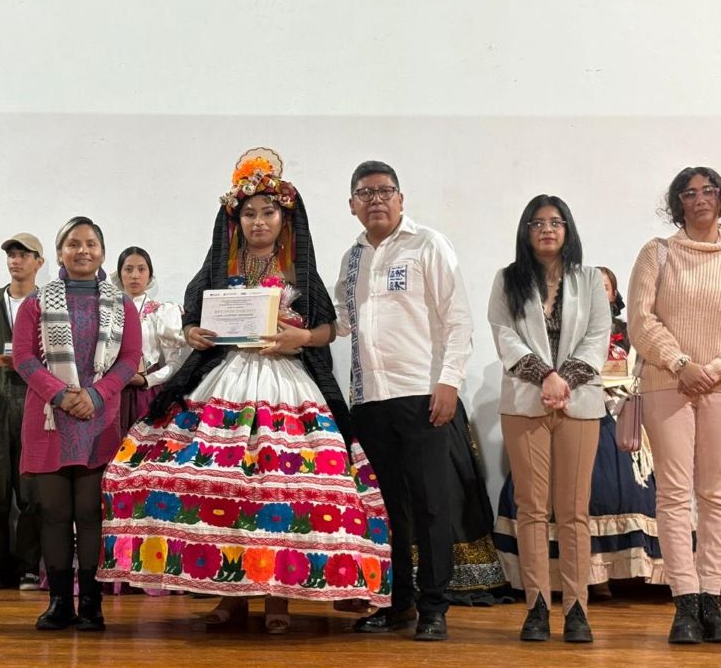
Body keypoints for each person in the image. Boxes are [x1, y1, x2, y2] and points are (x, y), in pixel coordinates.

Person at [98, 148, 391, 634]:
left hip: (288, 384)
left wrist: (301, 338)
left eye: (268, 213)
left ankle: (279, 599)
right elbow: (193, 319)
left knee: (282, 491)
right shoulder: (218, 267)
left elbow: (326, 329)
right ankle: (226, 594)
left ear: (284, 218)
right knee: (224, 488)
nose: (259, 222)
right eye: (250, 213)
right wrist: (193, 333)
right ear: (236, 220)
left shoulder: (300, 271)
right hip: (224, 380)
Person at [335, 160, 474, 641]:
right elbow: (340, 321)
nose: (375, 199)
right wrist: (290, 323)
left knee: (432, 504)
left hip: (422, 394)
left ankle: (435, 607)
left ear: (401, 198)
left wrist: (450, 381)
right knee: (388, 507)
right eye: (365, 193)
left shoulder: (427, 244)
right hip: (368, 399)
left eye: (384, 191)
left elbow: (458, 317)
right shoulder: (352, 258)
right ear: (351, 205)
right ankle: (398, 603)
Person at [494, 265, 663, 598]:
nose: (600, 292)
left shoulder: (630, 335)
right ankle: (568, 581)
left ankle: (627, 571)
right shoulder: (567, 330)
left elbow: (638, 375)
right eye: (594, 287)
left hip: (620, 414)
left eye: (606, 287)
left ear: (614, 296)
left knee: (624, 484)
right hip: (570, 406)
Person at [488, 194, 610, 643]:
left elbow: (599, 336)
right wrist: (545, 377)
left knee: (575, 511)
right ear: (525, 231)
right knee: (532, 510)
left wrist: (565, 381)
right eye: (537, 223)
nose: (547, 229)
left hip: (578, 404)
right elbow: (504, 335)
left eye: (556, 222)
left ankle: (577, 608)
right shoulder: (507, 280)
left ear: (568, 229)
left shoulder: (590, 279)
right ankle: (536, 607)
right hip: (525, 402)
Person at [14, 216, 141, 631]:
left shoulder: (121, 305)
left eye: (91, 244)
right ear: (59, 253)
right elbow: (24, 359)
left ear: (102, 252)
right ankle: (58, 604)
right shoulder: (36, 302)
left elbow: (128, 362)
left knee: (89, 514)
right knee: (53, 513)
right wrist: (61, 394)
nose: (82, 251)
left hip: (98, 421)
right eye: (73, 244)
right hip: (50, 420)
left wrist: (94, 395)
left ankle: (90, 604)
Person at [628, 166, 721, 644]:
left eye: (709, 190)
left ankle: (714, 597)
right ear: (677, 201)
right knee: (673, 493)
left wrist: (713, 368)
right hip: (668, 382)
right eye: (690, 192)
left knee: (715, 496)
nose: (700, 198)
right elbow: (640, 322)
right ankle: (685, 601)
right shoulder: (657, 252)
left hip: (720, 385)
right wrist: (682, 363)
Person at [0, 233, 45, 591]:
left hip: (35, 403)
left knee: (32, 491)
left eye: (23, 255)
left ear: (39, 263)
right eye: (11, 255)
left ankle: (30, 567)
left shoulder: (50, 305)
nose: (15, 260)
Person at [114, 246, 189, 439]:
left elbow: (175, 363)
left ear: (150, 274)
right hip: (113, 391)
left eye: (141, 269)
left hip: (147, 393)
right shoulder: (108, 313)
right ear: (120, 273)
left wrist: (148, 380)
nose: (135, 276)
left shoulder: (161, 312)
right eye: (128, 269)